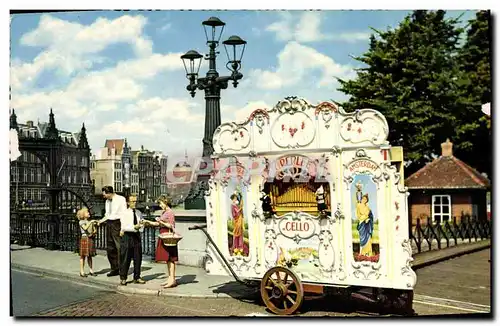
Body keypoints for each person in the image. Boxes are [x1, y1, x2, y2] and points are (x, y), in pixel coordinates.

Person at [143, 196, 178, 288]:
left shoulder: (170, 212)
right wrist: (148, 222)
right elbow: (158, 223)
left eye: (161, 203)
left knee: (171, 258)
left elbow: (171, 225)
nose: (160, 205)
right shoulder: (165, 212)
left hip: (168, 236)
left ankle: (172, 279)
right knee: (168, 259)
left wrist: (160, 222)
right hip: (163, 235)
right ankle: (170, 278)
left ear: (165, 202)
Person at [98, 186, 127, 277]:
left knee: (119, 247)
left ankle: (122, 269)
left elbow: (124, 214)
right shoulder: (107, 201)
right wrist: (100, 221)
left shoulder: (121, 199)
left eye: (104, 194)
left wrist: (122, 228)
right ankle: (114, 268)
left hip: (117, 223)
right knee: (110, 248)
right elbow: (107, 215)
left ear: (109, 193)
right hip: (109, 224)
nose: (104, 196)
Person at [119, 195, 146, 286]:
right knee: (125, 258)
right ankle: (123, 278)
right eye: (132, 201)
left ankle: (137, 277)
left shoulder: (139, 213)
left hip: (136, 237)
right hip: (127, 236)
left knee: (137, 258)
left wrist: (141, 227)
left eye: (135, 201)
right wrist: (135, 227)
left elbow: (142, 226)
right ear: (128, 202)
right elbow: (124, 227)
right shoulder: (124, 213)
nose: (134, 203)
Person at [76, 207, 98, 277]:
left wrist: (94, 228)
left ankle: (91, 270)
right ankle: (82, 271)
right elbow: (85, 228)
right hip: (84, 238)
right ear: (83, 214)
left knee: (90, 255)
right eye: (87, 212)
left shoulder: (89, 221)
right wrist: (91, 222)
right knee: (83, 256)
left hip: (90, 238)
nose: (89, 213)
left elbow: (94, 231)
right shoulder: (81, 222)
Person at [355, 188, 374, 257]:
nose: (364, 200)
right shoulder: (359, 205)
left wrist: (369, 219)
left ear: (367, 200)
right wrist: (359, 191)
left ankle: (368, 253)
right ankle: (362, 253)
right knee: (362, 238)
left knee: (368, 239)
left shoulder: (368, 207)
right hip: (362, 223)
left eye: (365, 199)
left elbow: (370, 215)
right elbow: (358, 215)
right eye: (363, 199)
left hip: (367, 224)